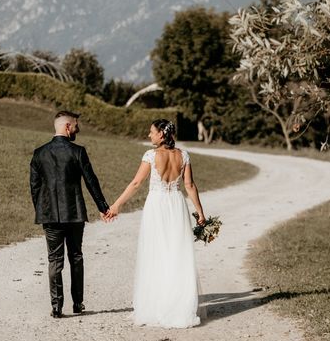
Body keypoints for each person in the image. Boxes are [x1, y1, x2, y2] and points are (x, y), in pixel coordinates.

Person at [107, 119, 206, 328]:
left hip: (157, 206)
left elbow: (136, 183)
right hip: (176, 205)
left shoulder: (151, 156)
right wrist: (200, 212)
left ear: (161, 134)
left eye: (151, 132)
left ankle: (156, 306)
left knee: (156, 253)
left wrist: (116, 206)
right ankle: (178, 305)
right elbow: (189, 185)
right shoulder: (183, 155)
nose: (149, 135)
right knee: (176, 253)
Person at [30, 110, 110, 318]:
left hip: (50, 216)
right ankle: (77, 303)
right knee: (76, 256)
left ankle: (56, 307)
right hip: (74, 213)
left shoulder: (39, 153)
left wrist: (42, 209)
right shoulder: (78, 152)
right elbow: (91, 181)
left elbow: (34, 187)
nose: (77, 129)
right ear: (67, 127)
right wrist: (103, 207)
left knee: (54, 260)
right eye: (75, 125)